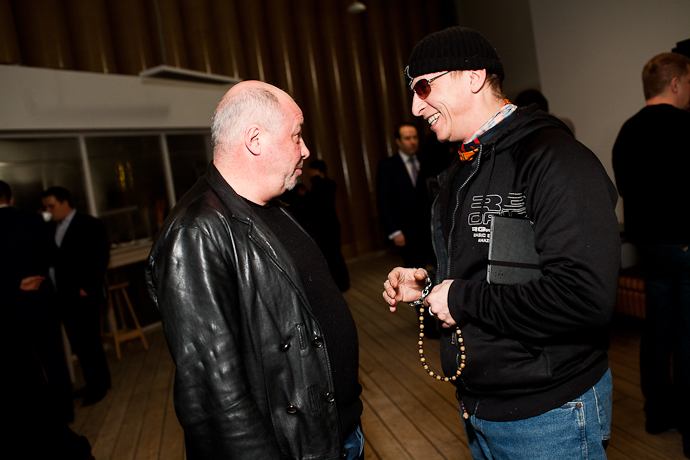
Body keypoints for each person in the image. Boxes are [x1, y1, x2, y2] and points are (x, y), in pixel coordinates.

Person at [382, 27, 620, 459]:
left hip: (549, 413)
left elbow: (583, 297)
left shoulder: (555, 158)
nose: (415, 107)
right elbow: (501, 272)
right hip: (480, 408)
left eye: (423, 87)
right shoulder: (462, 168)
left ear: (474, 77)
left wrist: (461, 298)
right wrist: (432, 285)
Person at [146, 80, 364, 459]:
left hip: (334, 434)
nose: (305, 149)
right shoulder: (196, 232)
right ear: (255, 140)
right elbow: (215, 395)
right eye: (297, 135)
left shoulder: (270, 206)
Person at [612, 52, 690, 458]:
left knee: (657, 329)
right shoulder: (686, 126)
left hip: (649, 250)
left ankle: (658, 413)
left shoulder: (627, 132)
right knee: (688, 333)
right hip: (685, 246)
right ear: (675, 83)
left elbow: (626, 190)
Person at [0, 181, 74, 423]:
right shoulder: (34, 221)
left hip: (11, 309)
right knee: (55, 362)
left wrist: (15, 284)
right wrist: (36, 272)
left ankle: (38, 421)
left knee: (23, 369)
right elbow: (54, 254)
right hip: (43, 301)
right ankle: (65, 415)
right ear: (11, 198)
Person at [41, 186, 111, 407]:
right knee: (79, 343)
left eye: (51, 206)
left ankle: (99, 385)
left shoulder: (89, 224)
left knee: (91, 341)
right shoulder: (51, 228)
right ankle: (93, 382)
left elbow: (100, 256)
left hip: (83, 294)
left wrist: (87, 287)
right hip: (64, 294)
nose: (48, 211)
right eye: (45, 207)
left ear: (64, 202)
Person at [307, 159, 350, 292]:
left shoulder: (326, 184)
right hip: (325, 226)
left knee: (334, 255)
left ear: (318, 170)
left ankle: (341, 284)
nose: (309, 173)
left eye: (312, 170)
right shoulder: (320, 184)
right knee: (330, 256)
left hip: (328, 226)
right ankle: (338, 284)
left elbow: (318, 201)